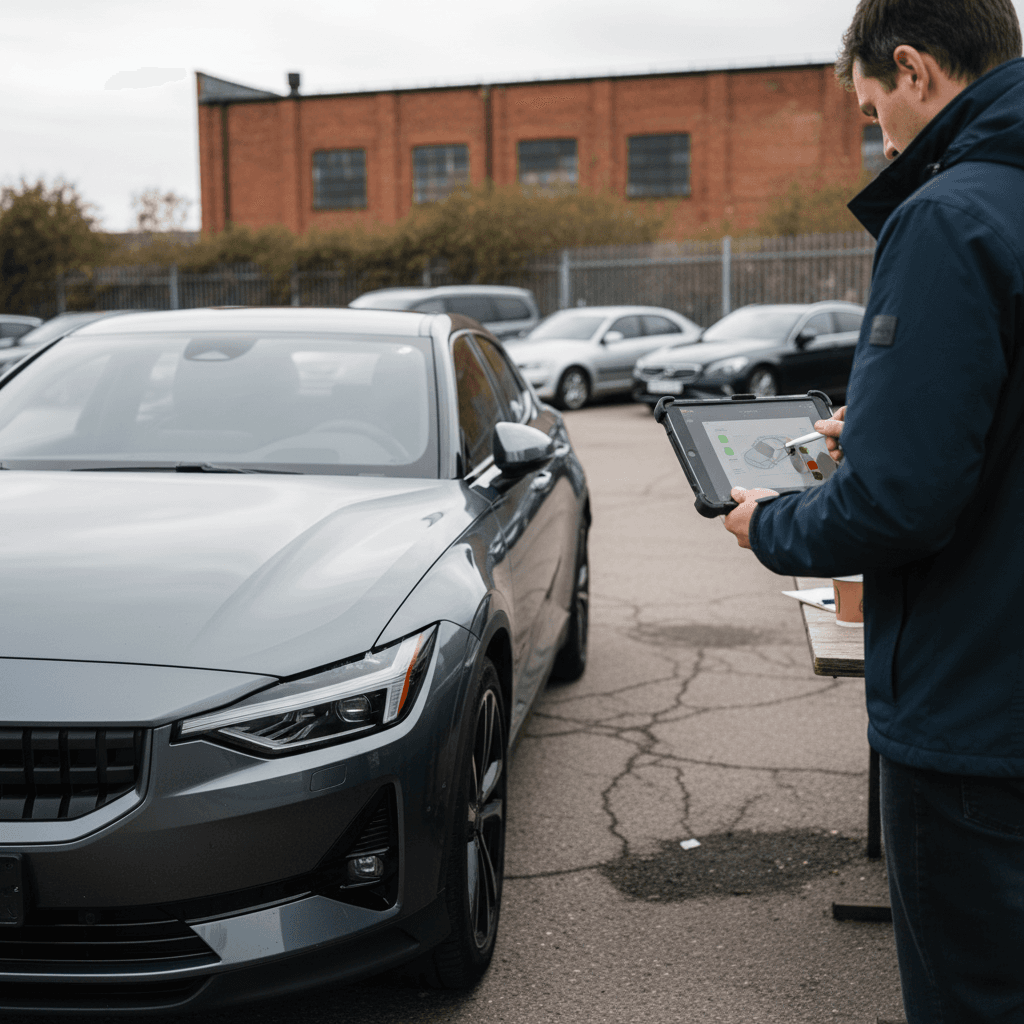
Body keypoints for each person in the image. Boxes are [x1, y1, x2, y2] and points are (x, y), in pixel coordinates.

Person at [722, 1, 1024, 1020]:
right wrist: (893, 418)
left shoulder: (946, 215)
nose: (876, 135)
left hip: (978, 722)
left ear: (912, 69)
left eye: (868, 110)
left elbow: (894, 508)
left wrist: (767, 524)